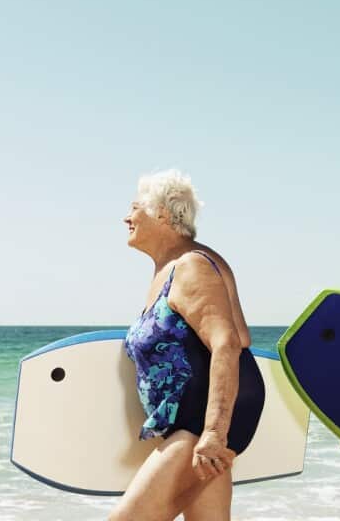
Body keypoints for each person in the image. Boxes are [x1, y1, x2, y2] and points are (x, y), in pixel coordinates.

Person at [110, 170, 264, 521]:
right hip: (195, 418)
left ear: (162, 213)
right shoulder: (173, 267)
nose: (126, 217)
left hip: (201, 420)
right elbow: (242, 334)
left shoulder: (191, 266)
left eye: (135, 208)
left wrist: (213, 433)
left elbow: (227, 345)